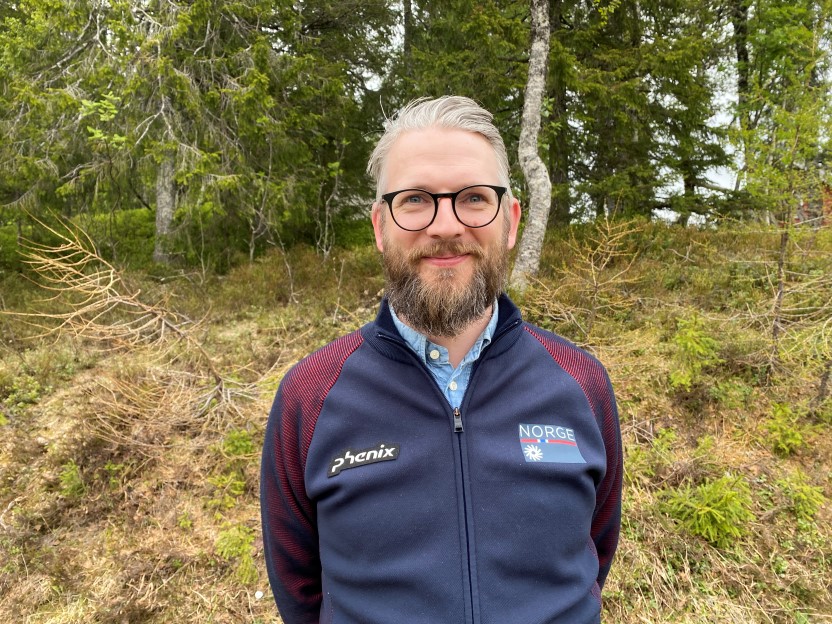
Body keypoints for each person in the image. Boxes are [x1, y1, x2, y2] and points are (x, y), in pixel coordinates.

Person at [260, 96, 622, 624]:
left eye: (474, 198)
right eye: (415, 200)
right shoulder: (311, 395)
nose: (447, 225)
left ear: (511, 221)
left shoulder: (581, 383)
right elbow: (299, 588)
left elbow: (596, 551)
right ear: (381, 226)